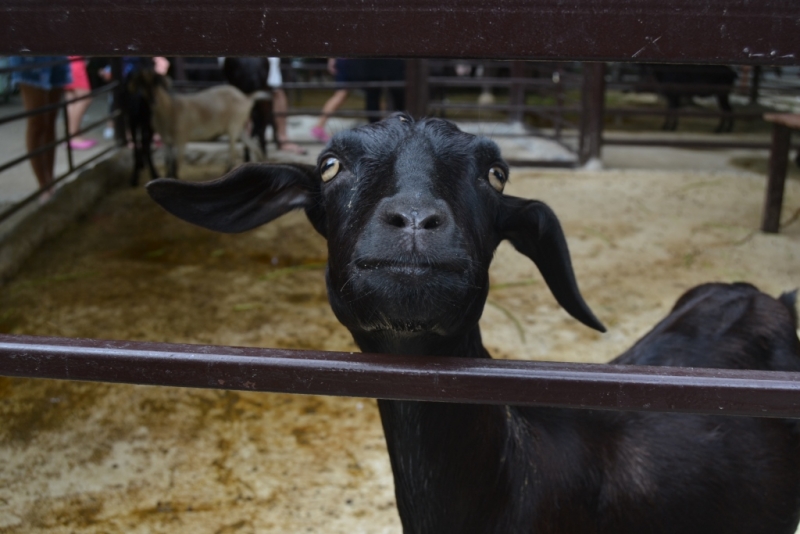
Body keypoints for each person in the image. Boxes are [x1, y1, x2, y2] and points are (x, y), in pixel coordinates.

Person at [10, 56, 72, 200]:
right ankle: (43, 186)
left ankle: (50, 182)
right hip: (29, 54)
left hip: (56, 51)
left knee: (50, 121)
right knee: (37, 123)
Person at [312, 59, 405, 142]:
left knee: (368, 94)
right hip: (349, 61)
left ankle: (319, 126)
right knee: (342, 94)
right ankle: (318, 127)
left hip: (352, 61)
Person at [64, 56, 96, 150]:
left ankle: (71, 135)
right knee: (85, 97)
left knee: (71, 98)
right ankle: (74, 136)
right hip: (75, 60)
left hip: (67, 60)